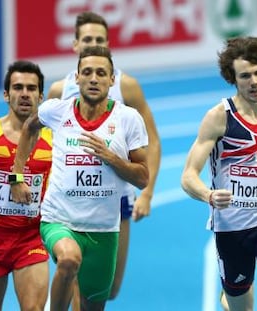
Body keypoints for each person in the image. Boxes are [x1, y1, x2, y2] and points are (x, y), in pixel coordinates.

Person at [10, 46, 149, 310]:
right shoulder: (56, 110)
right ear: (76, 78)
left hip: (104, 230)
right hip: (58, 220)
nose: (93, 78)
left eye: (100, 73)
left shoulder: (128, 119)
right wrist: (18, 175)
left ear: (112, 80)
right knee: (69, 259)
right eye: (87, 72)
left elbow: (142, 178)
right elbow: (29, 127)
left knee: (92, 305)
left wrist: (112, 158)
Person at [47, 11, 161, 305]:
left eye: (98, 40)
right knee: (71, 268)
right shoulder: (60, 91)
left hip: (116, 200)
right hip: (70, 203)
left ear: (108, 45)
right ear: (75, 45)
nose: (91, 44)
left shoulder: (127, 87)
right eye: (86, 39)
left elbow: (153, 141)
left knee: (109, 290)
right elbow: (48, 146)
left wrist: (146, 194)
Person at [181, 36, 257, 311]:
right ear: (233, 78)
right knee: (240, 305)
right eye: (245, 76)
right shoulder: (219, 117)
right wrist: (208, 194)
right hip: (232, 226)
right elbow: (187, 176)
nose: (254, 81)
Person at [0, 61, 51, 310]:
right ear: (6, 94)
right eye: (18, 87)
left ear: (40, 95)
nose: (25, 93)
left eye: (31, 88)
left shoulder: (53, 139)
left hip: (30, 238)